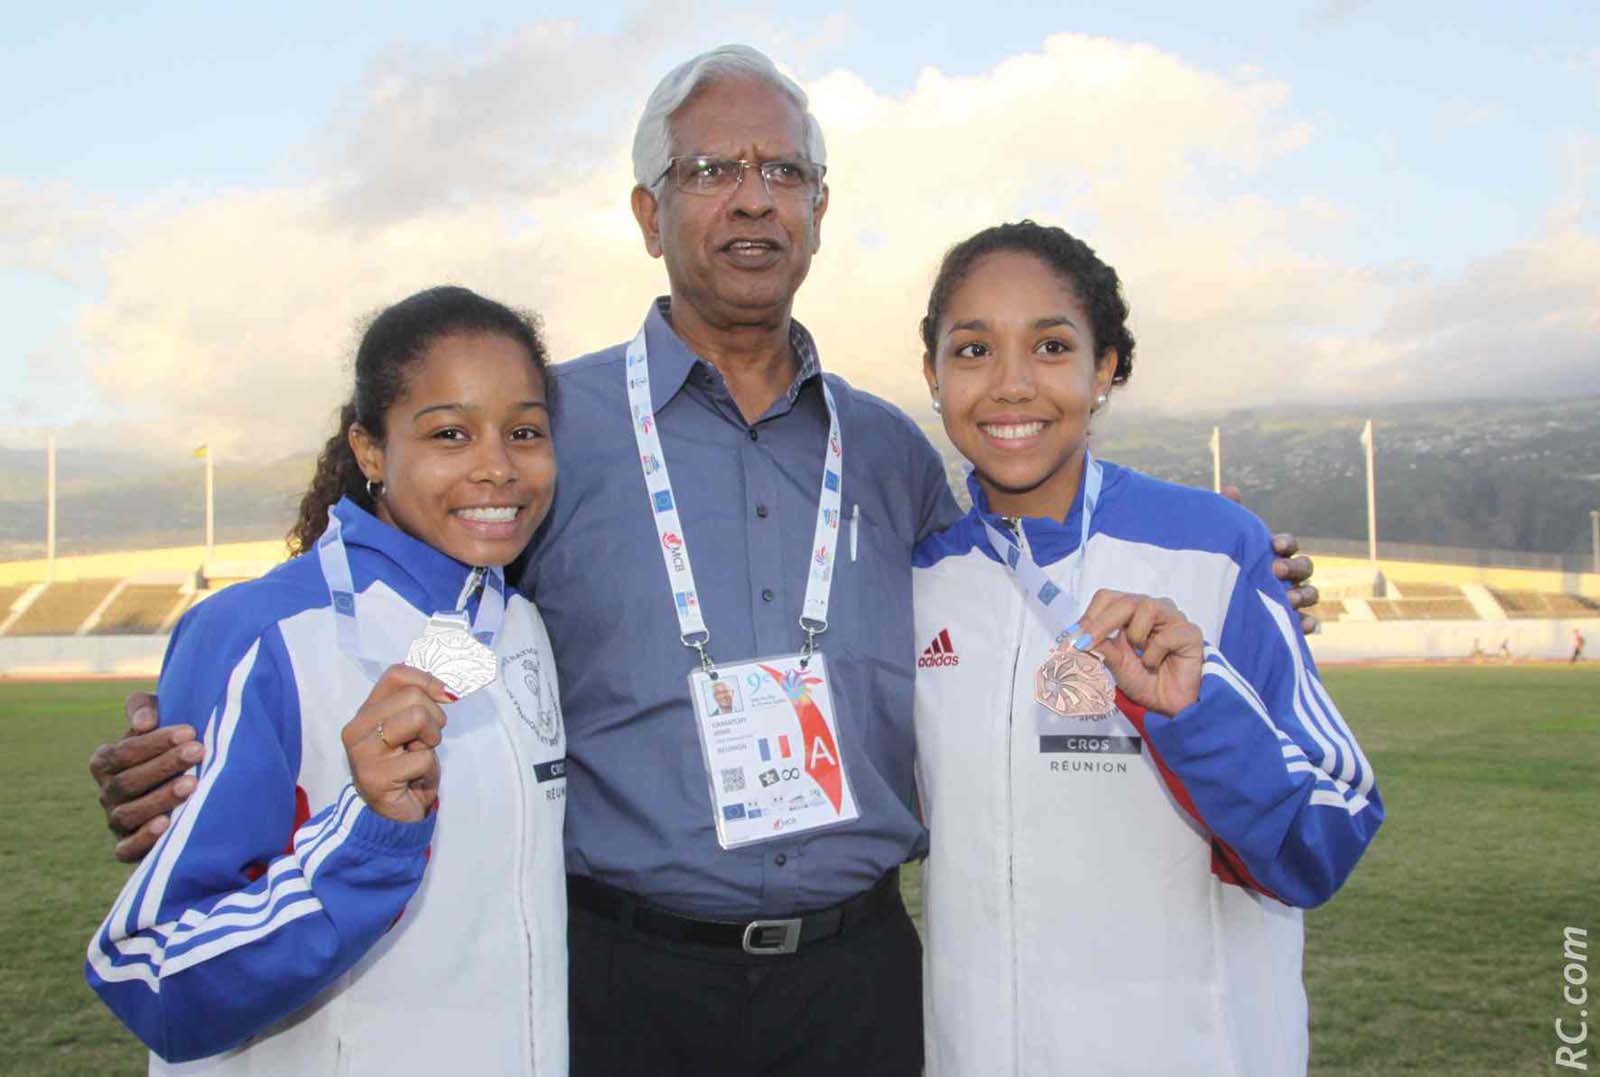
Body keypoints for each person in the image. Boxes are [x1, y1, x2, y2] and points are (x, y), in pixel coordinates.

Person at [84, 46, 1319, 1076]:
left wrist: (1250, 586)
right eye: (711, 169)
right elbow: (428, 615)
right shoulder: (546, 433)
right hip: (623, 980)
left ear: (820, 214)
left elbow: (1011, 589)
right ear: (648, 213)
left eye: (783, 170)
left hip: (857, 980)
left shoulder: (893, 452)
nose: (751, 197)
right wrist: (210, 728)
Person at [910, 222, 1382, 1075]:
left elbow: (1327, 833)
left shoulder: (1215, 547)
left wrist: (1197, 716)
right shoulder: (920, 577)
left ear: (1106, 370)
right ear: (934, 377)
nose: (1012, 384)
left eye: (1052, 345)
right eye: (973, 348)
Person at [85, 287, 568, 1074]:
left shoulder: (520, 626)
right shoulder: (257, 633)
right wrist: (366, 837)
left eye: (525, 431)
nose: (496, 465)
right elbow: (152, 967)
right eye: (450, 432)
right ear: (371, 449)